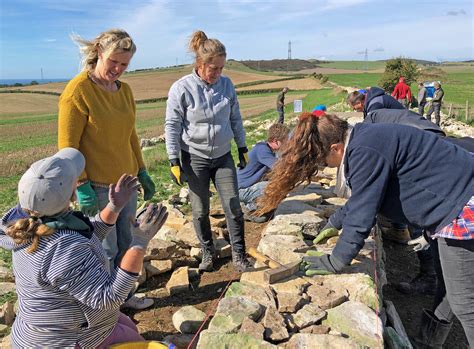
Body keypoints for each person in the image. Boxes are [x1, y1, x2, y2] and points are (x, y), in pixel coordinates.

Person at [258, 112, 474, 348]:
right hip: (448, 207)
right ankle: (428, 342)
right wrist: (334, 223)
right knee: (450, 287)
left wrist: (336, 261)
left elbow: (363, 214)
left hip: (460, 207)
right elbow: (365, 196)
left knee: (465, 302)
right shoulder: (365, 140)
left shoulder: (365, 150)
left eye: (323, 161)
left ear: (336, 147)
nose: (324, 167)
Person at [0, 148, 168, 348]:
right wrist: (139, 242)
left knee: (121, 324)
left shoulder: (29, 224)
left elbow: (88, 235)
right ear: (72, 194)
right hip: (70, 340)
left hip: (44, 331)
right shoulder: (63, 248)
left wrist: (114, 207)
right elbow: (109, 297)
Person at [58, 29, 156, 309]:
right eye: (114, 61)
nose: (118, 69)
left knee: (127, 242)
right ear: (99, 53)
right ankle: (102, 306)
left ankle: (123, 298)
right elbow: (68, 146)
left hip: (127, 182)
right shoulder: (78, 91)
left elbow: (131, 136)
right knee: (104, 249)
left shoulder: (124, 91)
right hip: (99, 187)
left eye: (124, 64)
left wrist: (142, 170)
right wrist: (80, 184)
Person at [165, 30, 251, 273]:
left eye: (222, 68)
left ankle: (239, 254)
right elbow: (172, 125)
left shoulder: (226, 85)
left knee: (233, 204)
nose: (218, 74)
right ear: (201, 64)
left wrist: (242, 147)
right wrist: (173, 158)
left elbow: (235, 118)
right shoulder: (182, 88)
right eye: (214, 69)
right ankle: (207, 252)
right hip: (195, 158)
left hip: (223, 155)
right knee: (200, 209)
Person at [237, 123, 290, 221]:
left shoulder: (263, 148)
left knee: (264, 217)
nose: (287, 144)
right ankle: (246, 209)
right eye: (285, 141)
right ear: (275, 141)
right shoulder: (263, 150)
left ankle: (251, 204)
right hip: (241, 190)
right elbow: (281, 168)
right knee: (276, 186)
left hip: (245, 186)